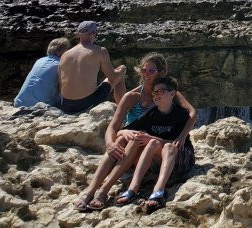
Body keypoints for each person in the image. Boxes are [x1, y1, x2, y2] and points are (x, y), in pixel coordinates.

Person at [74, 56, 196, 211]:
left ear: (161, 72)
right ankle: (91, 190)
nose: (146, 73)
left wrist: (182, 136)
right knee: (122, 141)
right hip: (133, 145)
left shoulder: (167, 93)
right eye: (143, 69)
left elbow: (191, 113)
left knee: (135, 139)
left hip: (153, 146)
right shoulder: (132, 96)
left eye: (151, 70)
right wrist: (110, 143)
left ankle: (104, 191)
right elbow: (113, 127)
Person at [111, 77, 196, 213]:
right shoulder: (151, 114)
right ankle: (133, 189)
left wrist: (154, 138)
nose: (156, 95)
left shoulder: (181, 114)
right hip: (160, 162)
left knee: (166, 146)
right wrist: (124, 131)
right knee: (152, 142)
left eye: (160, 92)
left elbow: (178, 143)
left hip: (182, 159)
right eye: (154, 93)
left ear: (172, 93)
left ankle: (158, 191)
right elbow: (121, 130)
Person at [58, 21, 127, 114]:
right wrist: (119, 72)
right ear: (94, 34)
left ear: (78, 34)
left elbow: (60, 84)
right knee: (121, 70)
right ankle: (123, 111)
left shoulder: (65, 54)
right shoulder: (100, 51)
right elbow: (112, 77)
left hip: (66, 105)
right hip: (86, 103)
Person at [14, 37, 70, 108]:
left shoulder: (40, 60)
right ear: (64, 51)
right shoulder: (60, 64)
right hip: (39, 106)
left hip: (18, 103)